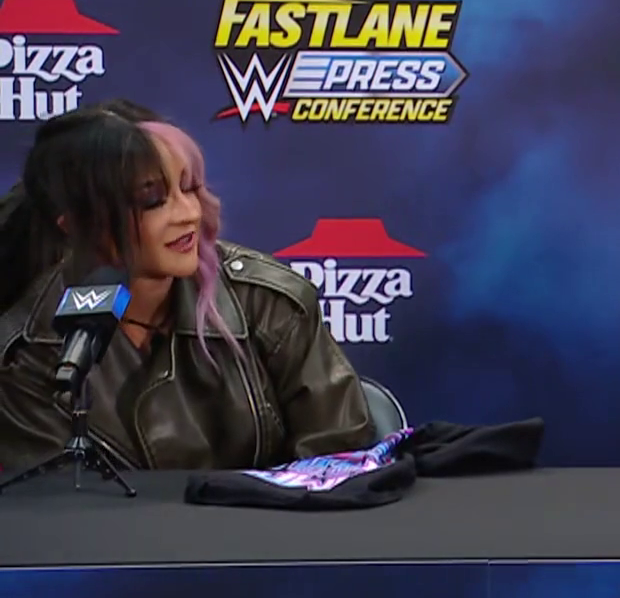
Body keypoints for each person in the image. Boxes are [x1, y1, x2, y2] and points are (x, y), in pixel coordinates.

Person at [0, 103, 375, 475]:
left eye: (189, 188)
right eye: (153, 201)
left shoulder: (267, 304)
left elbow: (339, 464)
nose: (190, 213)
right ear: (78, 224)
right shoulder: (26, 353)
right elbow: (59, 501)